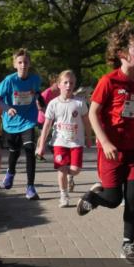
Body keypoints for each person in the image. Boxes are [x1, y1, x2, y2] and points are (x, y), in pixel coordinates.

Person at [79, 23, 134, 263]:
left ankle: (128, 244)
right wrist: (104, 141)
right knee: (113, 199)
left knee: (133, 197)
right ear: (122, 53)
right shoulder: (109, 81)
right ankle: (93, 196)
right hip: (112, 150)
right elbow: (93, 113)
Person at [36, 69, 91, 208]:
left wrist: (89, 137)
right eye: (65, 82)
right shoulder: (53, 104)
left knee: (75, 169)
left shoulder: (80, 103)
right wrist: (41, 146)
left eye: (71, 83)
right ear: (59, 84)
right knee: (61, 169)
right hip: (59, 142)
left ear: (74, 85)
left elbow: (86, 122)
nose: (68, 85)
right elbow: (47, 125)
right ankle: (64, 195)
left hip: (76, 142)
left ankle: (70, 176)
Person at [0, 49, 44, 200]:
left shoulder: (35, 79)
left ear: (29, 64)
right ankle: (10, 171)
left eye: (26, 62)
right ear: (15, 64)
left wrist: (40, 101)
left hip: (28, 120)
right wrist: (7, 108)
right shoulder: (9, 81)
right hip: (11, 123)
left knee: (30, 150)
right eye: (20, 62)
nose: (23, 65)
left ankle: (30, 187)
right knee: (14, 152)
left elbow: (37, 92)